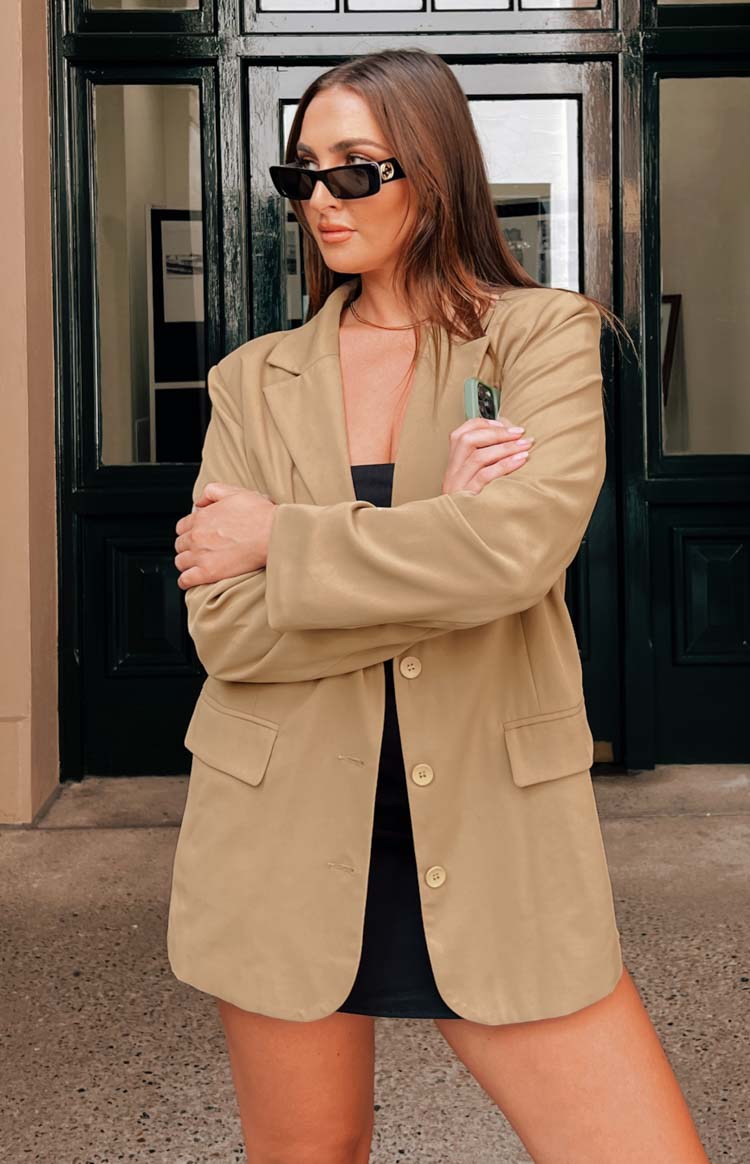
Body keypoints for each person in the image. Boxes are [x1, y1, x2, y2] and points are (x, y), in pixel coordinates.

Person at [169, 47, 710, 1164]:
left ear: (437, 168)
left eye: (356, 170)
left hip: (493, 826)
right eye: (302, 174)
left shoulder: (542, 338)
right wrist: (440, 544)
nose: (322, 200)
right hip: (277, 834)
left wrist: (282, 539)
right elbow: (224, 627)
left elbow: (515, 555)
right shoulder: (250, 380)